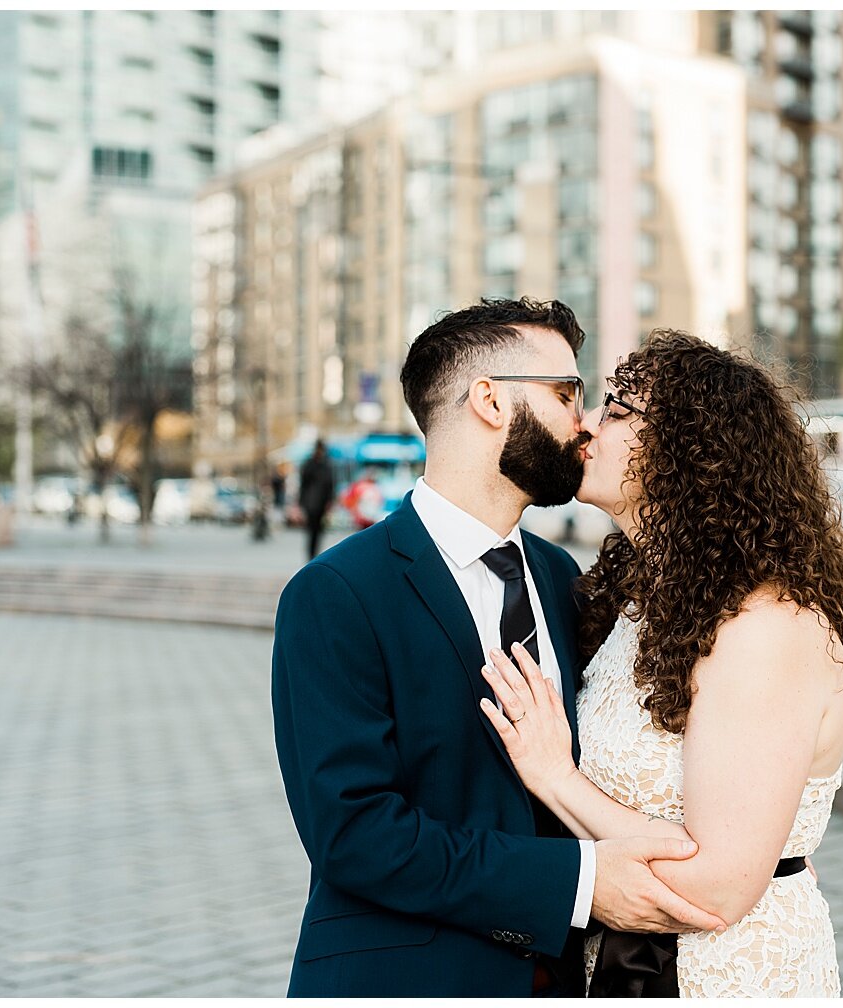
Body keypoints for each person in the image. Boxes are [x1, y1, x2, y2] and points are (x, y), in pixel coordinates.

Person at [271, 299, 726, 998]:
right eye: (565, 394)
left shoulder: (559, 578)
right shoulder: (335, 594)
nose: (584, 422)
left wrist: (765, 849)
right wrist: (580, 886)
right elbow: (354, 835)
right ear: (489, 400)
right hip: (407, 978)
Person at [477, 330, 843, 997]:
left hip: (725, 975)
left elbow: (720, 887)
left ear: (690, 452)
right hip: (618, 961)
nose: (585, 425)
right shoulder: (637, 603)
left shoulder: (766, 630)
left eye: (616, 411)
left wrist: (555, 776)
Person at [297, 441, 334, 561]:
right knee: (311, 531)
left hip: (321, 503)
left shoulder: (326, 465)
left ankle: (314, 555)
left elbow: (331, 485)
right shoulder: (310, 464)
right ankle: (311, 556)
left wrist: (330, 502)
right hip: (310, 503)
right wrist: (301, 502)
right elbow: (303, 484)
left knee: (318, 531)